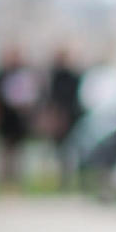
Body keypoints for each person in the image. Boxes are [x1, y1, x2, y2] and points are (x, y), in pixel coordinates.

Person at [0, 47, 41, 186]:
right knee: (4, 150)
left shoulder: (25, 75)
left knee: (19, 152)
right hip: (5, 117)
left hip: (20, 118)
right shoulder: (0, 75)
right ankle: (3, 181)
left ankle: (17, 181)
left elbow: (32, 96)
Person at [45, 49, 84, 188]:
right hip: (60, 118)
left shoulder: (72, 77)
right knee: (61, 151)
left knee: (75, 149)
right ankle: (64, 180)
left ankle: (78, 179)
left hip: (71, 117)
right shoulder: (55, 77)